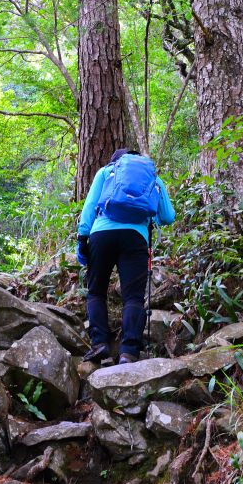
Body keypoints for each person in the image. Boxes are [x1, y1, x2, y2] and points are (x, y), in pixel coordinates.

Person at [77, 149, 175, 365]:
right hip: (135, 238)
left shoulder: (106, 172)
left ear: (117, 162)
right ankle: (129, 352)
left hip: (101, 235)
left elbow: (90, 207)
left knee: (96, 292)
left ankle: (100, 344)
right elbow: (168, 216)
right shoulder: (153, 178)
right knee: (133, 297)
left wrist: (82, 238)